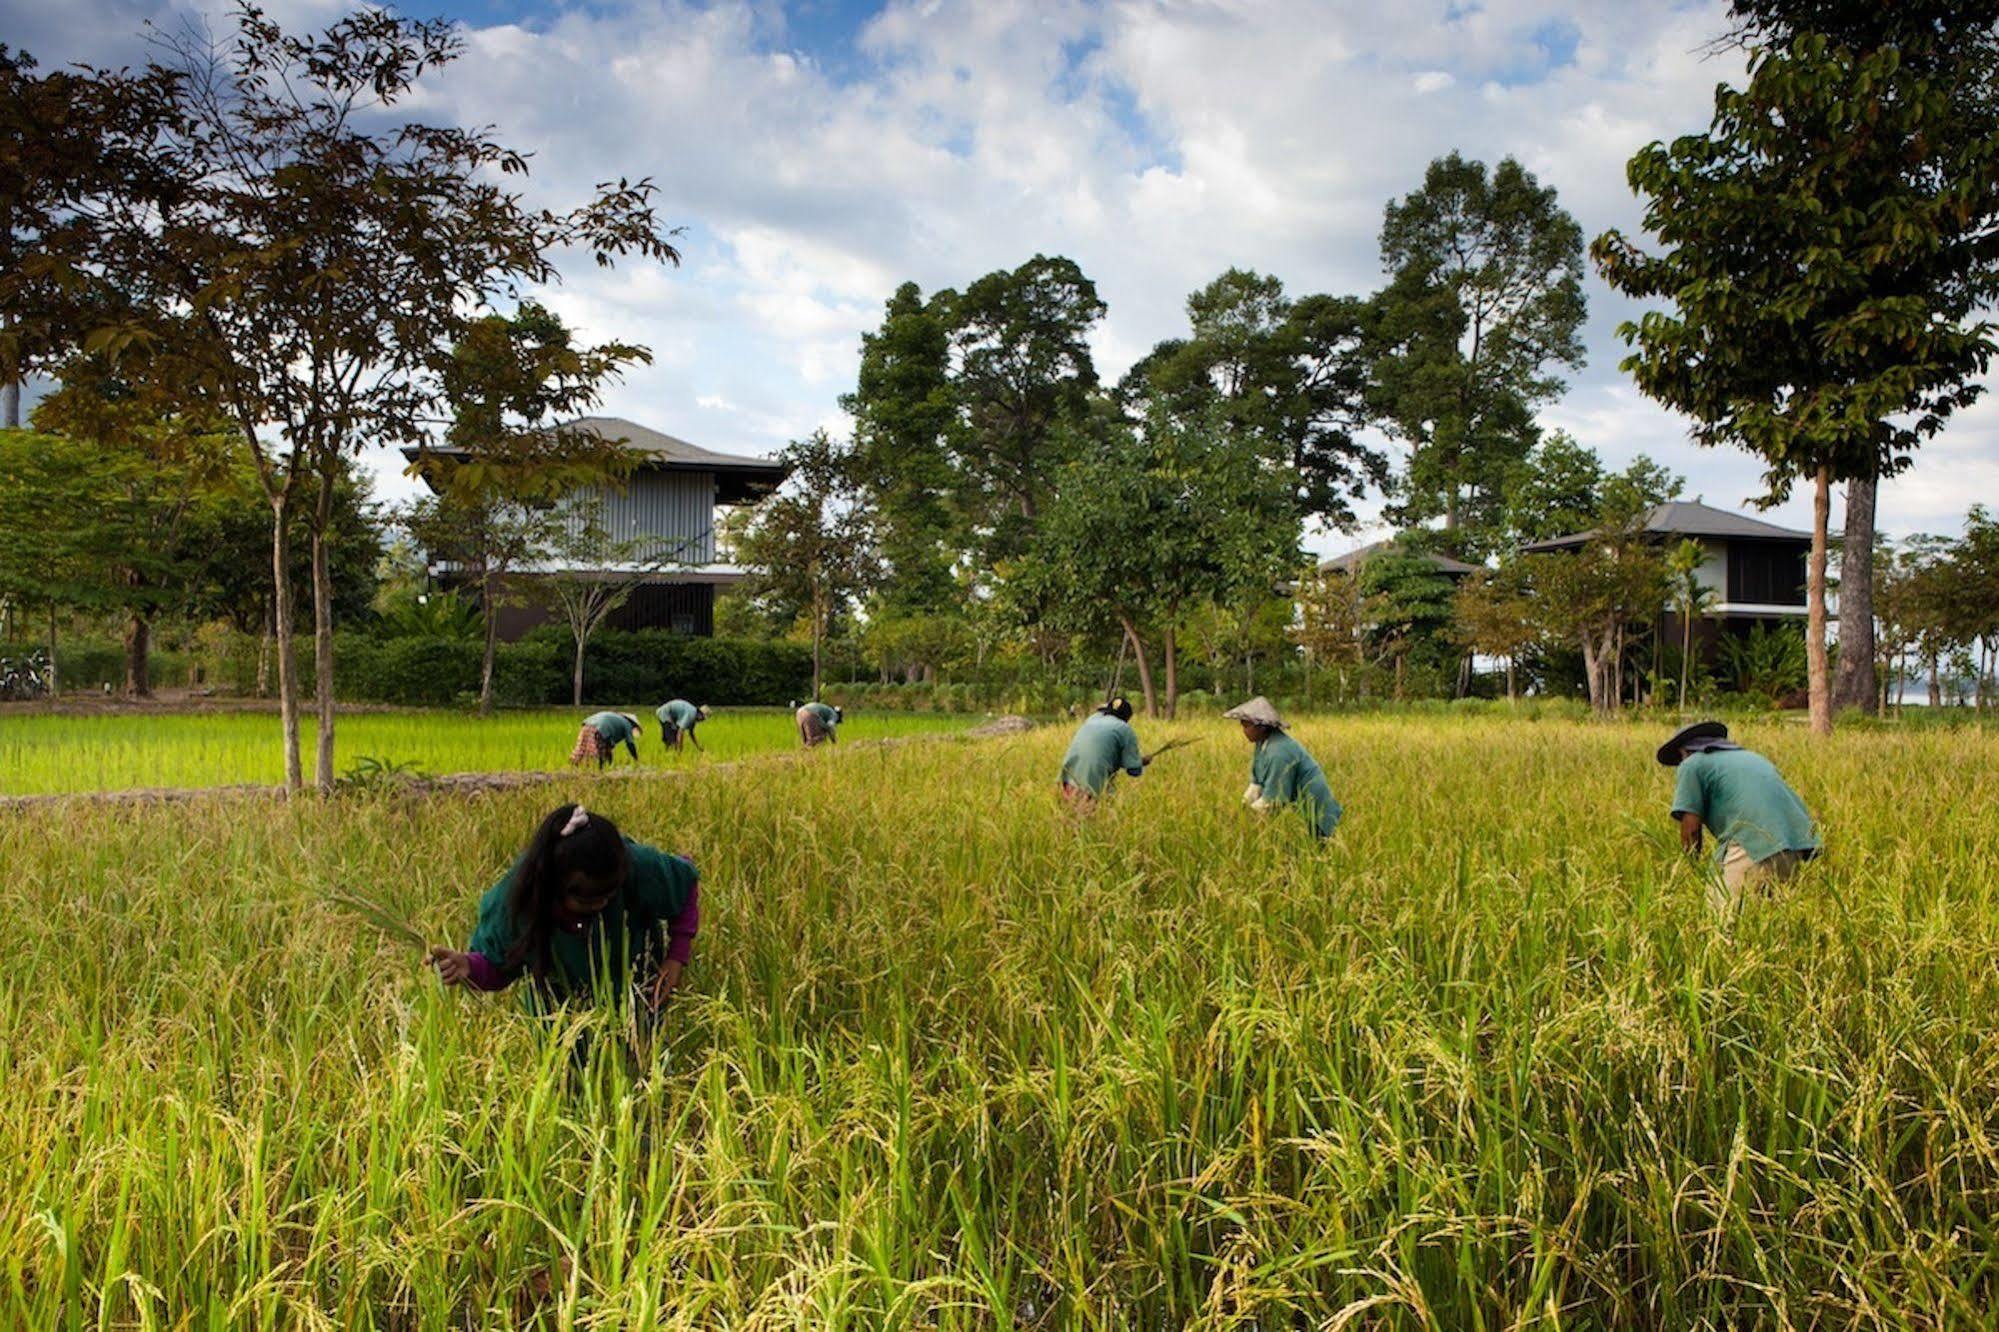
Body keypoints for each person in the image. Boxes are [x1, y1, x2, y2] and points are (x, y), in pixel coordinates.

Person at [428, 804, 700, 1014]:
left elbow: (684, 882)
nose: (601, 904)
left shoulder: (634, 865)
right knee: (569, 1083)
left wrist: (676, 957)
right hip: (560, 1017)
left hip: (637, 996)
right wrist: (468, 967)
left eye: (609, 896)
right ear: (553, 887)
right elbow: (499, 967)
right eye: (587, 901)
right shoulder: (517, 901)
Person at [1659, 720, 1820, 917]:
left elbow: (1691, 828)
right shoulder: (1754, 758)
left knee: (1723, 925)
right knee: (1771, 927)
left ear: (1685, 752)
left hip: (1752, 846)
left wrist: (1692, 868)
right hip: (1793, 847)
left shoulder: (1692, 763)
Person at [1224, 696, 1341, 840]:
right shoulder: (1262, 744)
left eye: (1247, 726)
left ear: (1261, 726)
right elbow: (1256, 786)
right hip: (1298, 811)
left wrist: (1247, 822)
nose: (1244, 731)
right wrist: (1240, 812)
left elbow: (1273, 800)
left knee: (1316, 846)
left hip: (1316, 811)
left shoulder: (1279, 752)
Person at [1058, 696, 1146, 806]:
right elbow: (1134, 771)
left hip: (1068, 777)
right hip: (1092, 784)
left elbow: (1102, 753)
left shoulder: (1093, 718)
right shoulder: (1124, 729)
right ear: (1126, 718)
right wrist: (1139, 762)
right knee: (1093, 817)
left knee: (1071, 814)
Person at [571, 711, 642, 768]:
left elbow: (610, 741)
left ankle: (574, 767)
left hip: (587, 726)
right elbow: (630, 744)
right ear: (633, 724)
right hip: (600, 729)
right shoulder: (627, 724)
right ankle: (601, 770)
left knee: (581, 749)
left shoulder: (617, 719)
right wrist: (636, 758)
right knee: (601, 752)